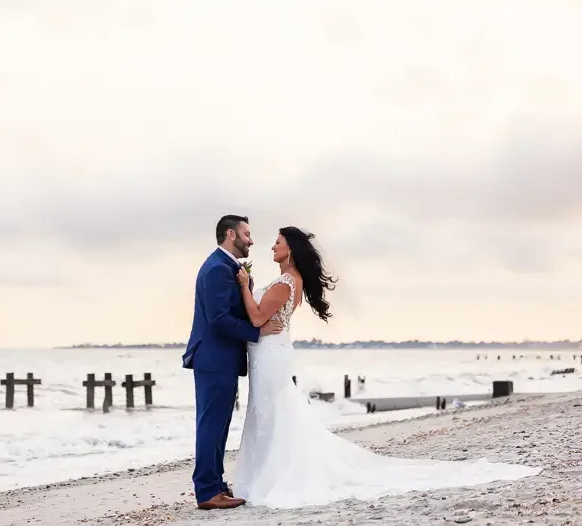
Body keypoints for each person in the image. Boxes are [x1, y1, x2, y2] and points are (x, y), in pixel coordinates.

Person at [231, 226, 541, 508]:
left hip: (271, 355)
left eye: (278, 242)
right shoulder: (288, 281)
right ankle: (264, 473)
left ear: (291, 249)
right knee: (270, 412)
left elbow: (258, 318)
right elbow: (263, 317)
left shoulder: (287, 281)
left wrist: (245, 286)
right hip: (269, 352)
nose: (272, 246)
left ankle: (273, 476)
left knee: (273, 412)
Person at [182, 215, 284, 510]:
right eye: (247, 234)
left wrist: (246, 287)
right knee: (211, 424)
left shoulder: (227, 267)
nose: (252, 240)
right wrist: (257, 331)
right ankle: (206, 491)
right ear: (231, 234)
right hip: (214, 358)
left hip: (221, 359)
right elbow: (219, 319)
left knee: (219, 424)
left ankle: (214, 484)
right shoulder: (216, 269)